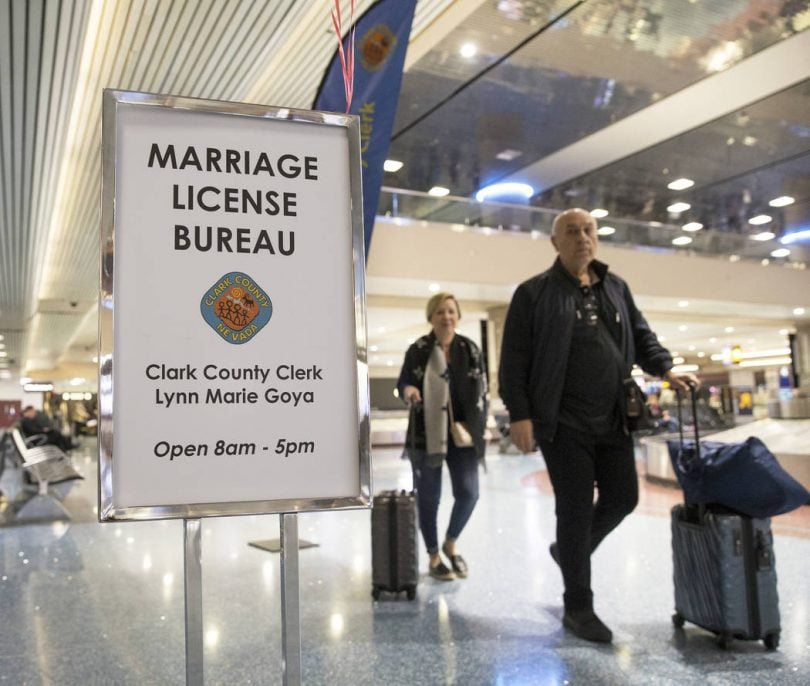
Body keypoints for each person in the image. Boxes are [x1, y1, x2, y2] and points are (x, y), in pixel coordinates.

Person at [498, 208, 698, 643]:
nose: (582, 238)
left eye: (588, 230)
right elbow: (513, 360)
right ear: (556, 243)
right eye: (572, 232)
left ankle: (569, 551)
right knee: (572, 510)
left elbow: (642, 338)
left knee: (623, 497)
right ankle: (579, 606)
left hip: (613, 418)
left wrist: (667, 369)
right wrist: (520, 414)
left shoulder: (615, 287)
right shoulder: (534, 293)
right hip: (562, 422)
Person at [397, 293, 488, 581]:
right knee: (429, 498)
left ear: (458, 316)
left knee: (469, 493)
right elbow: (404, 383)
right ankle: (434, 555)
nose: (446, 316)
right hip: (427, 435)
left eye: (451, 311)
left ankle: (451, 542)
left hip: (464, 435)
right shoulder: (419, 349)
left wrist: (481, 425)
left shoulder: (470, 349)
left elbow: (483, 389)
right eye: (440, 312)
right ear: (431, 317)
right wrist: (409, 391)